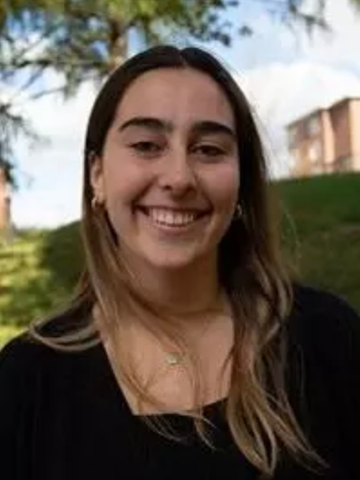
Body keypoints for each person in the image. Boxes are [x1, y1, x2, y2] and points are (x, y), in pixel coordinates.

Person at [0, 45, 359, 480]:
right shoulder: (26, 382)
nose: (179, 178)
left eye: (208, 149)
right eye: (147, 145)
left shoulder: (330, 340)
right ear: (97, 174)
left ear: (241, 181)